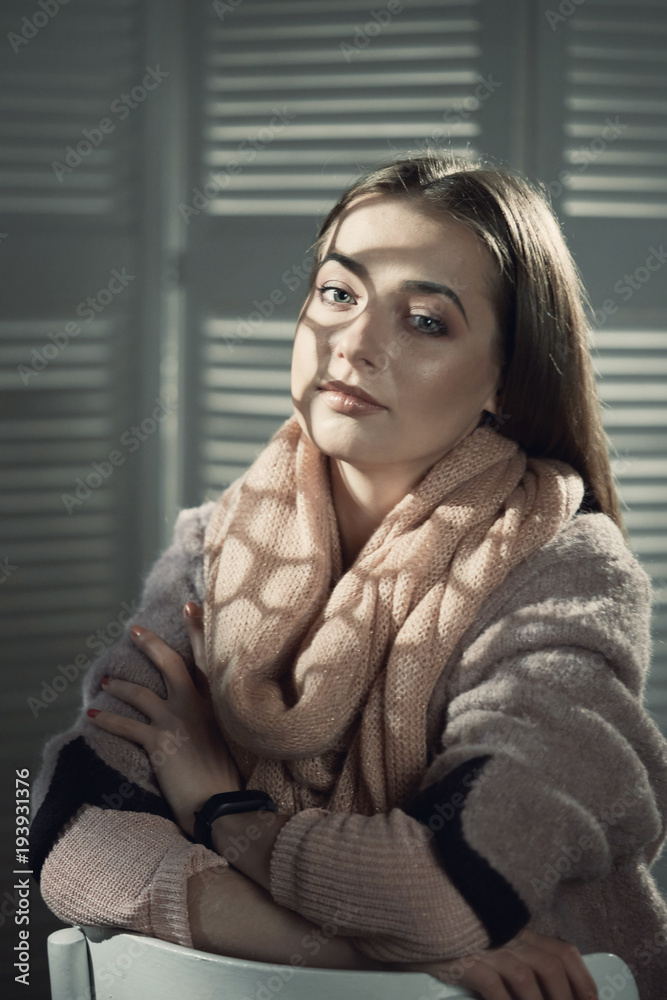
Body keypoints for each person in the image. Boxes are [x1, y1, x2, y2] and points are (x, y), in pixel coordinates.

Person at [31, 151, 667, 1000]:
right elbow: (70, 835)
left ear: (503, 381)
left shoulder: (566, 572)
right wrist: (375, 956)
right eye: (339, 293)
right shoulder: (214, 549)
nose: (355, 344)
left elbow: (444, 885)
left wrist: (227, 814)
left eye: (426, 322)